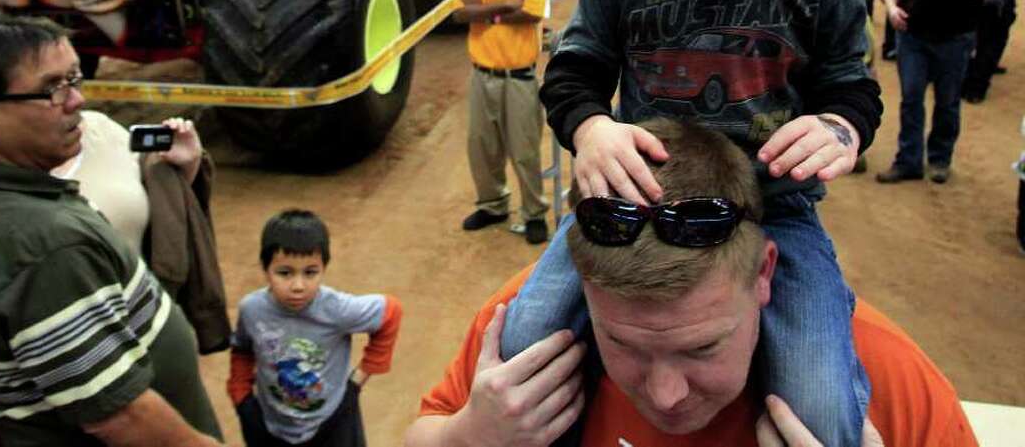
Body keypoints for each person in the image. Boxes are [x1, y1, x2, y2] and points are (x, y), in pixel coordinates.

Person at [512, 0, 883, 447]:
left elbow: (852, 84)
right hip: (637, 203)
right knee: (524, 340)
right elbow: (574, 73)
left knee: (820, 406)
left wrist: (838, 126)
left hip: (773, 210)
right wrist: (591, 128)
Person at [405, 119, 978, 447]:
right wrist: (464, 438)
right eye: (623, 345)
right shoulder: (522, 338)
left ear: (764, 272)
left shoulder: (882, 377)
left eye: (702, 346)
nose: (665, 394)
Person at [0, 14, 223, 446]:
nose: (77, 100)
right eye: (52, 89)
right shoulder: (42, 246)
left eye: (75, 79)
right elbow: (120, 416)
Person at [228, 209, 402, 447]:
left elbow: (391, 312)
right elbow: (242, 348)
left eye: (310, 272)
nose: (298, 285)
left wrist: (357, 382)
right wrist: (241, 395)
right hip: (270, 426)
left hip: (332, 423)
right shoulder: (252, 309)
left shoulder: (337, 309)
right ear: (265, 268)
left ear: (324, 268)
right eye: (285, 273)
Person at [878, 0, 996, 184]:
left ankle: (940, 159)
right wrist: (891, 8)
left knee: (947, 101)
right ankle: (909, 160)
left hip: (955, 37)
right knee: (911, 98)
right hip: (912, 35)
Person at [453, 0, 550, 244]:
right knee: (481, 147)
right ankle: (492, 205)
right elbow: (460, 12)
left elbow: (533, 12)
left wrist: (484, 10)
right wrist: (505, 7)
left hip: (519, 75)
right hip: (482, 73)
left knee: (524, 150)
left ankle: (534, 212)